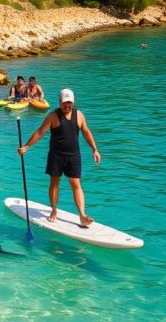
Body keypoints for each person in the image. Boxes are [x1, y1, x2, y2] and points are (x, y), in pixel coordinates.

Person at [18, 88, 101, 227]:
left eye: (69, 103)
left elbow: (86, 132)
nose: (67, 106)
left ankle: (82, 215)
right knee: (55, 183)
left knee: (76, 184)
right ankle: (54, 210)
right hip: (56, 156)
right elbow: (40, 132)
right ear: (59, 102)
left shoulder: (79, 115)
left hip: (74, 156)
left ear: (73, 102)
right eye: (64, 103)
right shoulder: (52, 116)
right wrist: (26, 146)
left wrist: (95, 149)